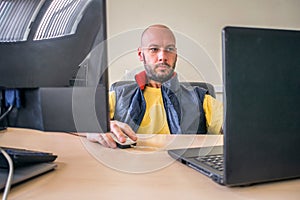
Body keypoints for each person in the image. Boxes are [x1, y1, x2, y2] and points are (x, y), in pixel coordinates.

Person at [87, 24, 223, 148]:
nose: (162, 56)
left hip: (184, 171)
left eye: (169, 49)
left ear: (176, 55)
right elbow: (75, 122)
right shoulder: (118, 96)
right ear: (141, 54)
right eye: (154, 49)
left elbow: (237, 128)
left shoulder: (201, 99)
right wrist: (94, 130)